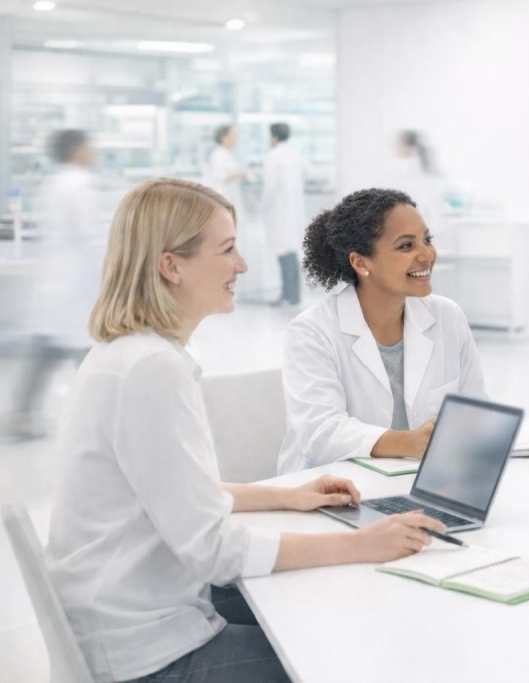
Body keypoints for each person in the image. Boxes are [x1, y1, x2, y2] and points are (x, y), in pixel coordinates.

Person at [44, 178, 445, 682]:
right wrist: (362, 544)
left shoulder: (130, 355)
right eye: (228, 249)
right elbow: (213, 550)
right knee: (354, 658)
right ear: (172, 265)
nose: (243, 266)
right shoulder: (150, 370)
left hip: (132, 624)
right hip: (150, 657)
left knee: (319, 620)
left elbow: (178, 493)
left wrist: (290, 497)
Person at [277, 188, 486, 474]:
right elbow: (321, 433)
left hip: (422, 482)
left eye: (427, 240)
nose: (427, 255)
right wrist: (409, 443)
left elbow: (475, 411)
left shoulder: (447, 316)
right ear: (361, 262)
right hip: (334, 489)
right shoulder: (312, 331)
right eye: (406, 246)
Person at [4, 130, 103, 441]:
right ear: (76, 150)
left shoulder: (57, 183)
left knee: (52, 352)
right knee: (79, 355)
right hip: (74, 286)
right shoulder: (80, 185)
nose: (93, 151)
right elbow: (90, 236)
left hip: (60, 285)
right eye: (89, 146)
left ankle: (22, 415)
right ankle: (97, 422)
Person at [261, 122, 306, 306]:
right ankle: (293, 294)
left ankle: (288, 295)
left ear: (273, 136)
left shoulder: (273, 156)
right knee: (291, 250)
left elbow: (270, 187)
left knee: (283, 251)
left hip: (279, 210)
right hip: (293, 209)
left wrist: (263, 206)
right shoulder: (295, 155)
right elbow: (309, 172)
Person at [203, 124, 247, 222]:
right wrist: (238, 174)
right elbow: (218, 175)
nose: (236, 139)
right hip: (223, 197)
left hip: (231, 198)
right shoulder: (218, 155)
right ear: (224, 138)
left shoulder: (228, 154)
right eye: (234, 136)